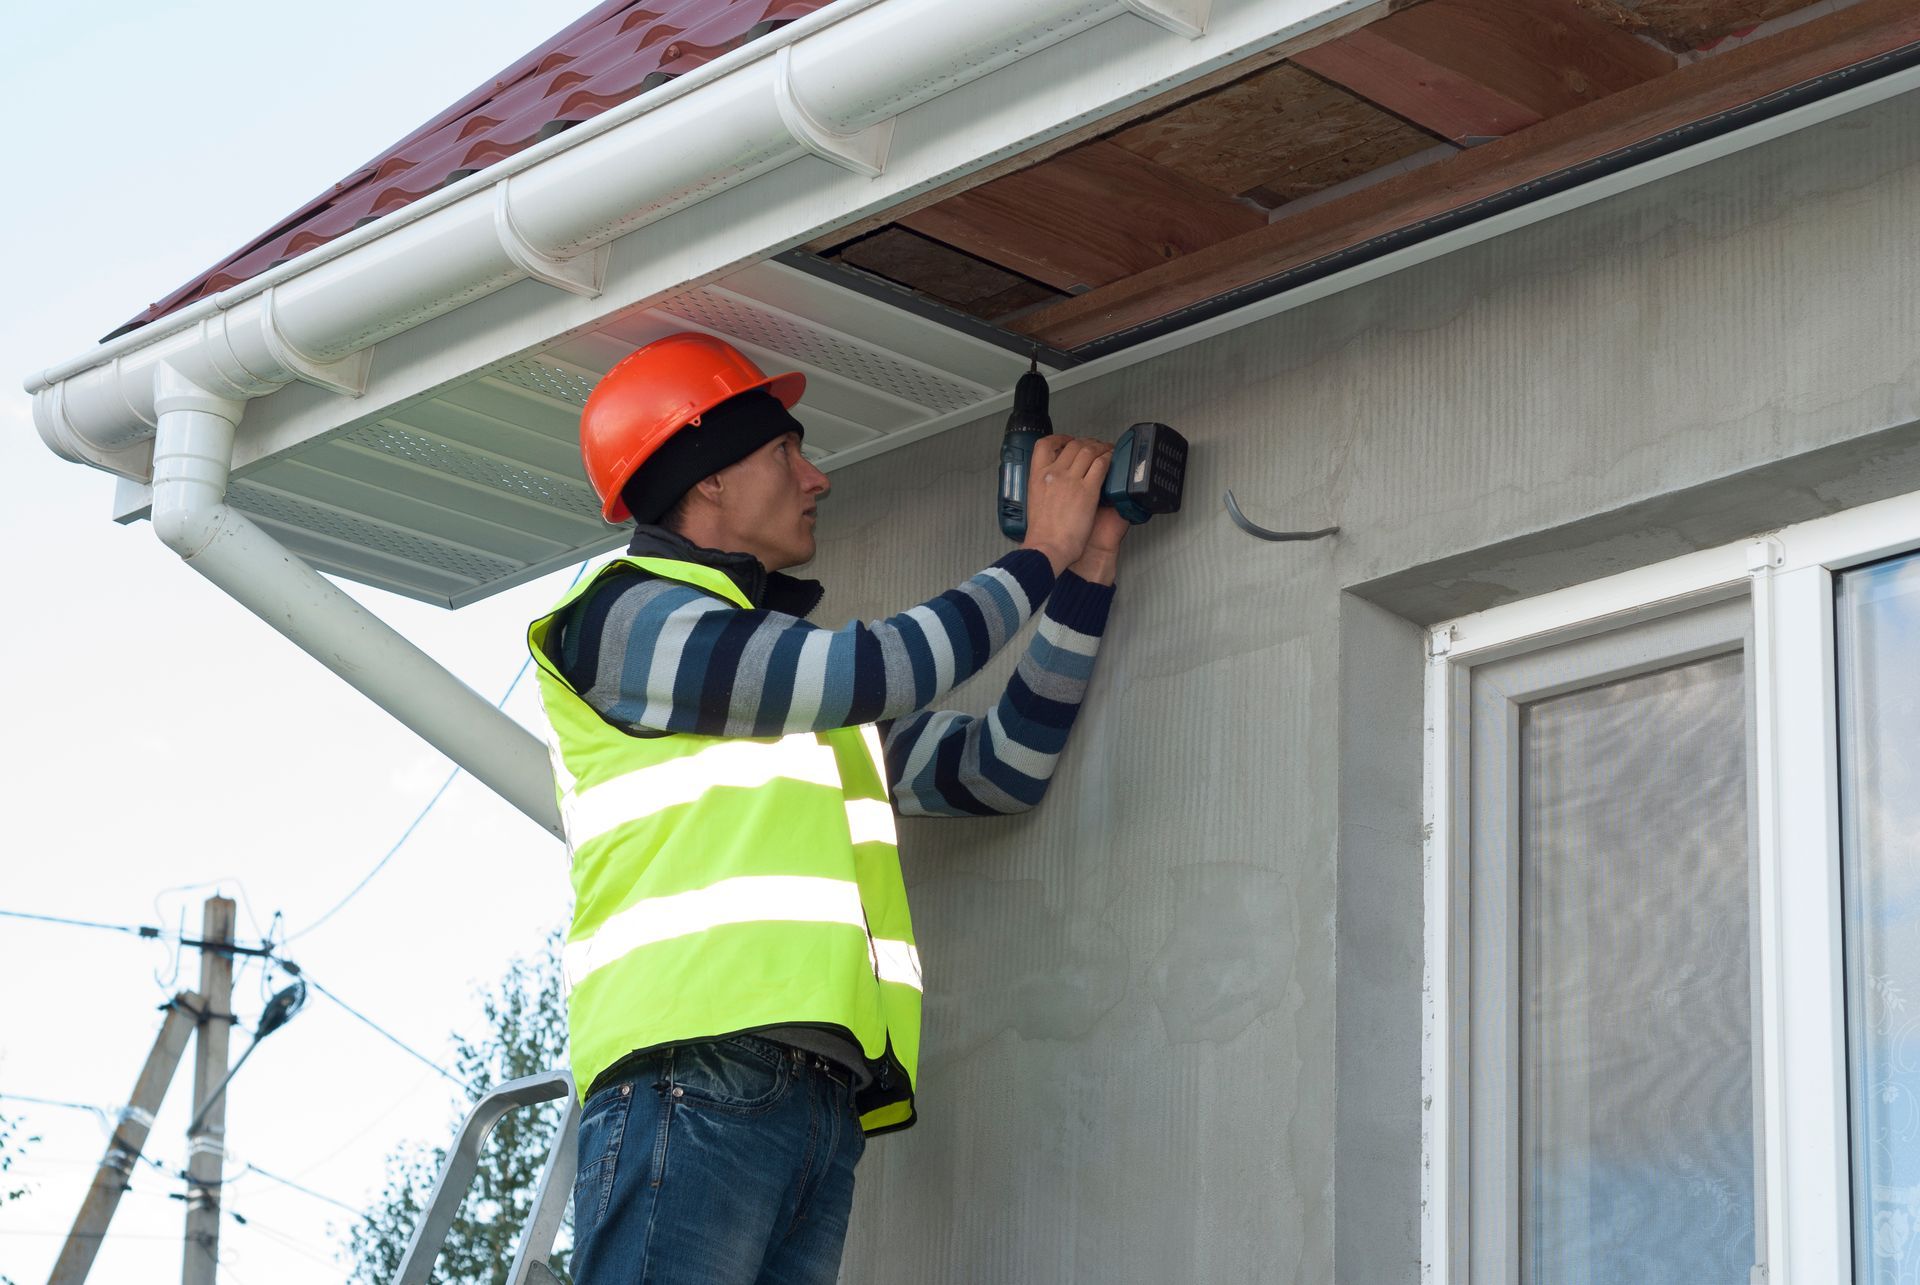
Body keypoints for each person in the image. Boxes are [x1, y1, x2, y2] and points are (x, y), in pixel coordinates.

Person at [527, 332, 1125, 1285]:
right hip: (693, 1073)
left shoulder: (783, 694)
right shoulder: (624, 618)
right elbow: (870, 669)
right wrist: (1040, 550)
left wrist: (1085, 571)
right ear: (707, 478)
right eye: (784, 452)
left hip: (814, 1100)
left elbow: (1001, 766)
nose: (817, 478)